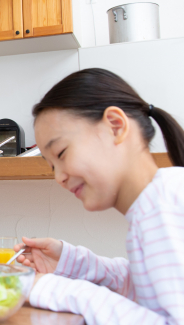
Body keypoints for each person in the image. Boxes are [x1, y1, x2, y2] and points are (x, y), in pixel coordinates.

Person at [15, 68, 184, 323]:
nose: (58, 177)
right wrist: (70, 262)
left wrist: (51, 288)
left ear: (115, 126)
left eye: (61, 154)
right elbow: (146, 286)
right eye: (52, 166)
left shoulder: (162, 207)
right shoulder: (159, 199)